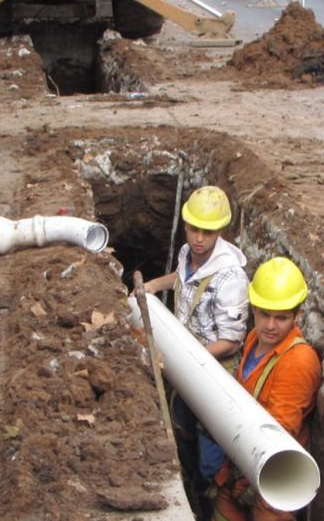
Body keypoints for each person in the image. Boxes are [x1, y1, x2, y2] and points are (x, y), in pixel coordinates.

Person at [141, 185, 249, 517]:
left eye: (208, 231)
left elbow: (231, 340)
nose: (199, 238)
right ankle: (188, 481)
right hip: (187, 356)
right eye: (194, 229)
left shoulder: (230, 276)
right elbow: (183, 279)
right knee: (182, 426)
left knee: (209, 449)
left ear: (221, 231)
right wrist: (151, 287)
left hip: (214, 368)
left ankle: (209, 496)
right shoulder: (189, 253)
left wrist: (184, 358)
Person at [212, 256, 322, 521]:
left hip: (274, 484)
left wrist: (245, 483)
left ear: (297, 315)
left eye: (281, 318)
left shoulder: (298, 360)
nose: (270, 326)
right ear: (253, 309)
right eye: (264, 314)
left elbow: (281, 430)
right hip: (239, 467)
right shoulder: (254, 338)